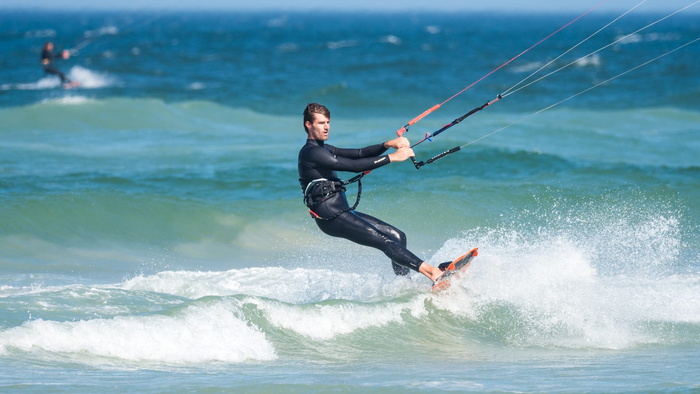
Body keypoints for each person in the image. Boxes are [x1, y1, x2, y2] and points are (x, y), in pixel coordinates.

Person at [297, 103, 449, 284]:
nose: (327, 127)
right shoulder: (311, 152)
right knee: (385, 241)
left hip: (341, 211)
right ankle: (433, 273)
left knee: (397, 236)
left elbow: (359, 154)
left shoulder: (325, 148)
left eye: (328, 122)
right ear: (308, 124)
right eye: (321, 123)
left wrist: (387, 145)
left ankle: (404, 284)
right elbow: (353, 167)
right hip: (330, 215)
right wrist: (392, 157)